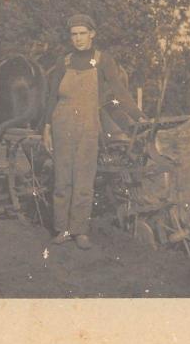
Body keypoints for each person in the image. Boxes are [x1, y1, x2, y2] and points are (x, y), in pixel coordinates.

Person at [43, 14, 145, 250]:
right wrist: (46, 128)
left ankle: (80, 231)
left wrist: (140, 117)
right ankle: (62, 229)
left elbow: (120, 92)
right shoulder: (64, 62)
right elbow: (51, 97)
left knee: (84, 179)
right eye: (74, 34)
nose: (78, 39)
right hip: (62, 123)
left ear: (92, 34)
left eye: (82, 33)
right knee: (62, 179)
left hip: (89, 124)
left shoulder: (102, 61)